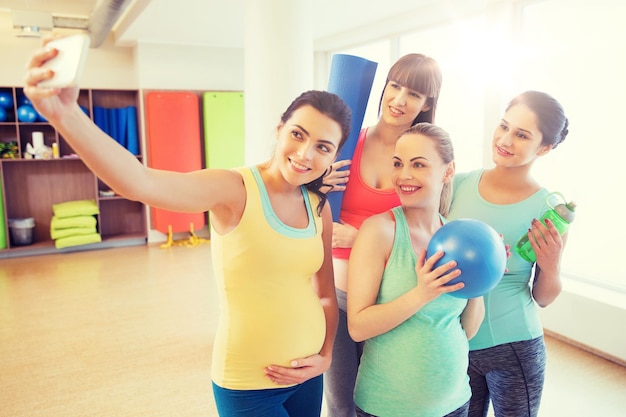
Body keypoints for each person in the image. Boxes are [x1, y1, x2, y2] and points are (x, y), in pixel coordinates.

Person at [24, 36, 352, 417]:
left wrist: (326, 356)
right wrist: (65, 114)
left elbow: (325, 295)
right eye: (298, 134)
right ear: (280, 129)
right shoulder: (233, 188)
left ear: (333, 156)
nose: (305, 154)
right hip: (248, 382)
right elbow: (140, 182)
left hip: (308, 375)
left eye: (323, 147)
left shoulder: (318, 207)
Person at [323, 53, 442, 417]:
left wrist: (359, 238)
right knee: (341, 404)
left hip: (390, 298)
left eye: (414, 94)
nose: (399, 100)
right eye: (395, 86)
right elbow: (301, 210)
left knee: (385, 402)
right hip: (334, 292)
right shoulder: (346, 144)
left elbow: (425, 228)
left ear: (426, 104)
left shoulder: (420, 162)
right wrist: (316, 187)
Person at [347, 123, 485, 417]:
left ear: (448, 172)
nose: (404, 175)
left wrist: (483, 275)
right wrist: (421, 293)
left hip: (456, 403)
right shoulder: (379, 231)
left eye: (418, 165)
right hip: (387, 407)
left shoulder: (456, 236)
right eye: (398, 163)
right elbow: (357, 327)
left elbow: (467, 331)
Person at [447, 91, 570, 417]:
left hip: (514, 345)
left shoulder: (550, 211)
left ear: (544, 148)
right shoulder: (457, 186)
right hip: (455, 344)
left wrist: (551, 266)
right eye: (504, 126)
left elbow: (543, 297)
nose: (504, 139)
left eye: (521, 135)